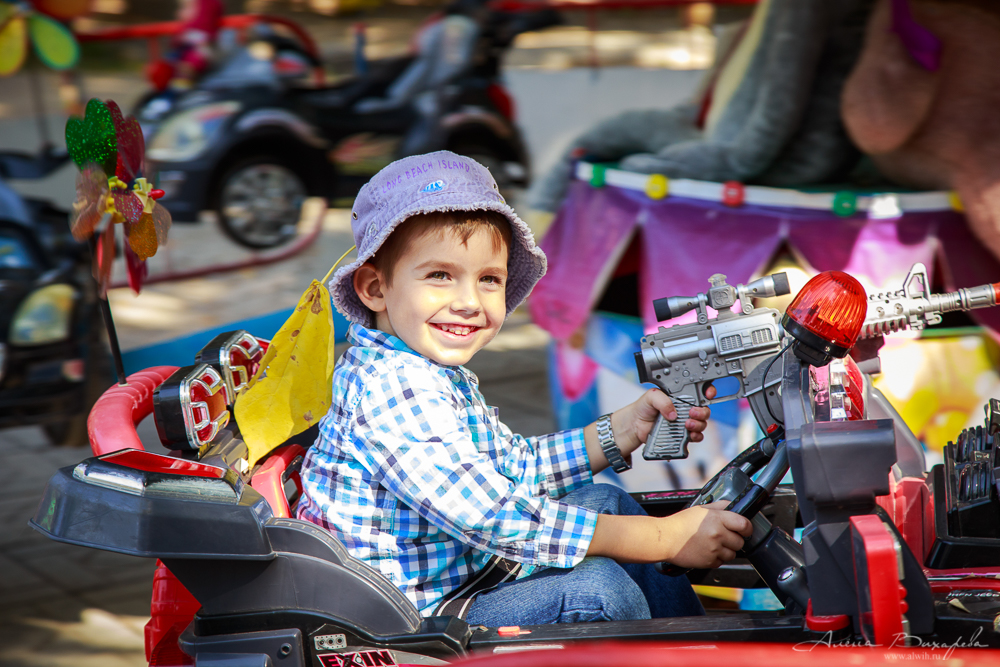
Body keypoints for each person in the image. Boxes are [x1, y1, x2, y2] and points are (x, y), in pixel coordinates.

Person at [297, 150, 752, 626]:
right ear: (375, 289)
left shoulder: (425, 367)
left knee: (609, 502)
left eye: (488, 279)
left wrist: (621, 430)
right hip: (413, 615)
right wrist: (665, 539)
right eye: (439, 276)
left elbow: (512, 468)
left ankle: (691, 644)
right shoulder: (392, 388)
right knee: (600, 591)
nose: (470, 302)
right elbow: (492, 516)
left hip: (464, 571)